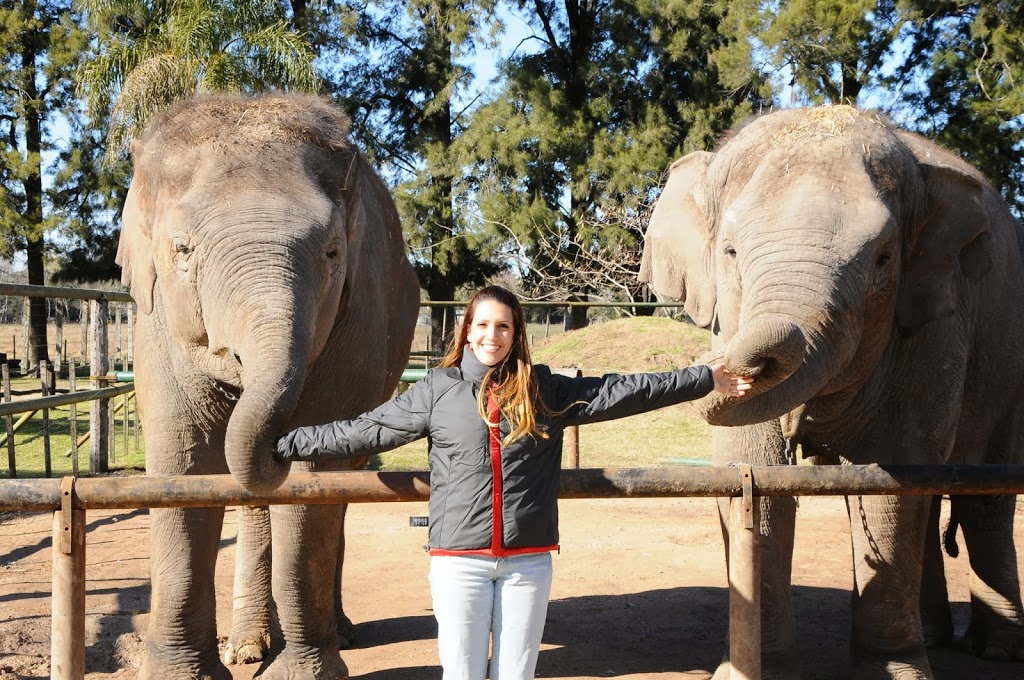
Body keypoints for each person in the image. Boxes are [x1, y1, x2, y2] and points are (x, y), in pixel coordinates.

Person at [274, 285, 754, 680]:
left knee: (516, 675)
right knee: (461, 674)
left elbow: (622, 391)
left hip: (528, 563)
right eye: (482, 325)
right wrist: (283, 443)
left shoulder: (543, 389)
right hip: (459, 560)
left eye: (503, 326)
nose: (492, 335)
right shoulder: (436, 391)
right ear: (466, 332)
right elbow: (363, 430)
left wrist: (702, 379)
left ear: (516, 333)